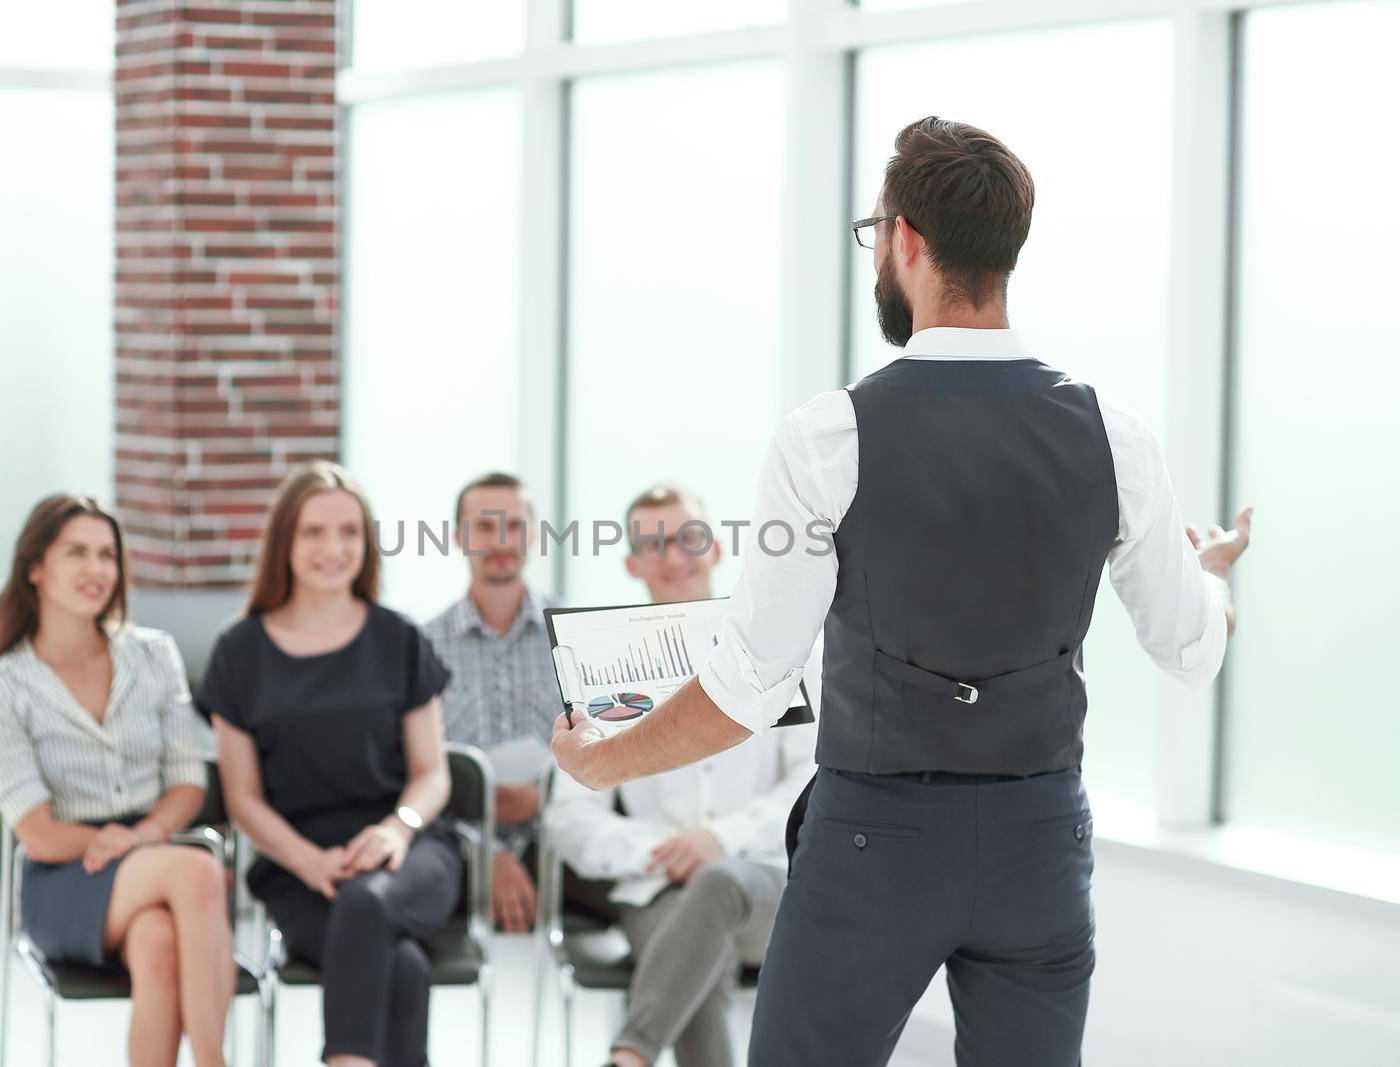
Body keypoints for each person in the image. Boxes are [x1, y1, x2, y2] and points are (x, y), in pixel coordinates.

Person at [552, 116, 1254, 1067]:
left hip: (874, 846)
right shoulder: (1114, 433)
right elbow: (1192, 652)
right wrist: (1207, 584)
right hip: (1038, 844)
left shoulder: (827, 437)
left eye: (875, 233)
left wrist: (604, 763)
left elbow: (747, 690)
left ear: (906, 240)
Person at [544, 483, 817, 1067]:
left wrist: (720, 842)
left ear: (716, 550)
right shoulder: (596, 671)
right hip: (658, 890)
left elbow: (809, 784)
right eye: (654, 544)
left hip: (767, 890)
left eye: (687, 539)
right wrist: (660, 853)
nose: (673, 557)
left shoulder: (779, 653)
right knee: (696, 946)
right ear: (631, 563)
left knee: (716, 885)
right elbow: (570, 812)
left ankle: (629, 1054)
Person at [199, 460, 459, 1067]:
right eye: (313, 532)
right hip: (297, 865)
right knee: (401, 966)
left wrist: (397, 829)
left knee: (368, 904)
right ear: (284, 541)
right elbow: (242, 797)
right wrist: (306, 860)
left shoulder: (399, 638)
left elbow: (433, 772)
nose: (332, 549)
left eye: (349, 532)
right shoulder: (239, 651)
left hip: (408, 850)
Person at [0, 494, 231, 1067]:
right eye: (76, 553)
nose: (96, 569)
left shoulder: (153, 656)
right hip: (65, 875)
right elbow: (38, 834)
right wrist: (121, 843)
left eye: (107, 555)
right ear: (35, 568)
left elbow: (189, 781)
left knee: (159, 944)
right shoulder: (1, 690)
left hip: (151, 845)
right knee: (200, 871)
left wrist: (144, 835)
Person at [422, 472, 564, 934]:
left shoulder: (577, 636)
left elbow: (613, 749)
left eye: (515, 526)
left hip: (562, 837)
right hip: (457, 843)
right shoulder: (423, 647)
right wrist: (490, 851)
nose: (501, 540)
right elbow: (413, 768)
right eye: (484, 527)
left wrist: (546, 798)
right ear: (458, 536)